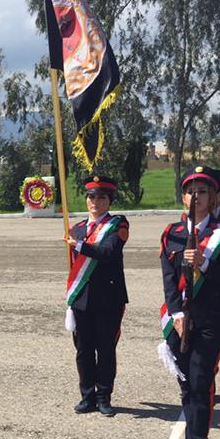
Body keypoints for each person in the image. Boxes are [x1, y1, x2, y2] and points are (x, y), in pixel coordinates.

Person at [158, 167, 220, 439]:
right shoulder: (172, 232)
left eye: (203, 191)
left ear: (213, 196)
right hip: (180, 319)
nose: (196, 197)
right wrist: (177, 314)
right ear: (183, 197)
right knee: (185, 382)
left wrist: (204, 263)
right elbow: (168, 279)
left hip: (210, 318)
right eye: (191, 191)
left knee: (201, 380)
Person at [63, 175, 129, 417]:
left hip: (108, 298)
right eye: (91, 197)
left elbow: (108, 252)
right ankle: (87, 395)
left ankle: (104, 396)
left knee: (106, 349)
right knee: (83, 349)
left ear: (109, 201)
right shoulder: (77, 229)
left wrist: (79, 246)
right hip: (82, 298)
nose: (95, 202)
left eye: (101, 197)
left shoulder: (118, 225)